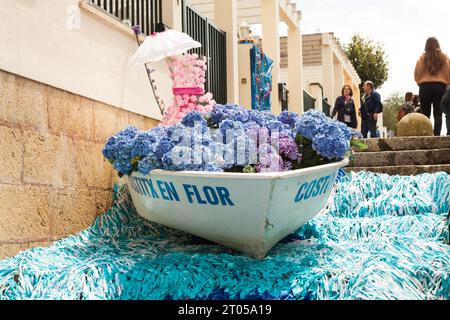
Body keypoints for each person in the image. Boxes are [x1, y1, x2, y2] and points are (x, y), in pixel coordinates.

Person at [414, 37, 450, 136]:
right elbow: (448, 72)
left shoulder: (422, 57)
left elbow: (417, 72)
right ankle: (437, 136)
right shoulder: (444, 57)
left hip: (425, 87)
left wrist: (419, 81)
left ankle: (426, 135)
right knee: (438, 114)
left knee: (425, 114)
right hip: (440, 87)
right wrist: (446, 83)